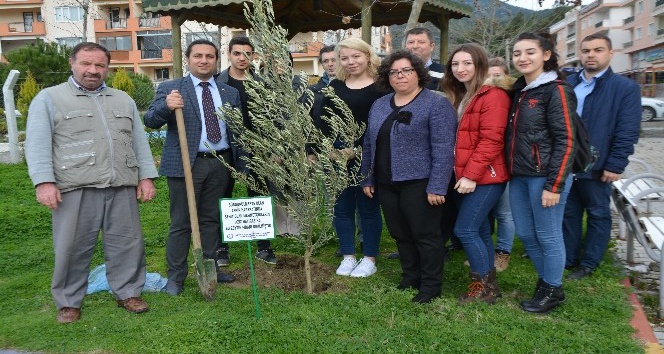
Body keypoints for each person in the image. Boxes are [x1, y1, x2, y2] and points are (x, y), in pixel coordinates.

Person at [25, 42, 159, 323]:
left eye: (99, 65)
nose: (93, 70)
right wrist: (44, 182)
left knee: (127, 243)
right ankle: (69, 302)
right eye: (86, 64)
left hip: (121, 185)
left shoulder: (123, 100)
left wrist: (146, 176)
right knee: (71, 246)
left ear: (107, 68)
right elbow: (37, 144)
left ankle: (128, 293)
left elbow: (139, 143)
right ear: (72, 64)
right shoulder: (50, 99)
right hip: (75, 187)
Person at [144, 39, 238, 296]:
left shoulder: (229, 92)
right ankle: (176, 277)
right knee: (182, 222)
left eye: (209, 56)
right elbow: (150, 120)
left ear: (217, 60)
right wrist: (166, 106)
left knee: (211, 220)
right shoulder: (172, 88)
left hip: (220, 162)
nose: (204, 60)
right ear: (188, 58)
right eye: (198, 55)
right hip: (187, 164)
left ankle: (210, 267)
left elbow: (236, 130)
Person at [362, 49, 456, 303]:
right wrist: (368, 177)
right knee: (400, 233)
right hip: (386, 182)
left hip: (420, 182)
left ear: (418, 73)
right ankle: (410, 276)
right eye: (394, 72)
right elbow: (370, 144)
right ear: (387, 76)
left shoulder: (436, 104)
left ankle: (430, 286)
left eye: (406, 71)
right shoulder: (380, 104)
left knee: (425, 235)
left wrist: (438, 186)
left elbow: (444, 149)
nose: (400, 76)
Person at [505, 32, 577, 314]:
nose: (522, 58)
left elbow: (567, 139)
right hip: (520, 175)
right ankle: (549, 283)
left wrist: (555, 184)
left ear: (546, 55)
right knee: (525, 233)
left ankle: (551, 289)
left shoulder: (556, 89)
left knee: (548, 235)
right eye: (517, 53)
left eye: (530, 52)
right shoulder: (520, 90)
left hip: (545, 177)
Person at [563, 34, 641, 280]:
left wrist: (616, 163)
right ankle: (569, 258)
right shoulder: (568, 82)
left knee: (597, 213)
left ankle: (589, 262)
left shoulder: (624, 88)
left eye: (598, 50)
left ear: (610, 53)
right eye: (586, 50)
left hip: (599, 163)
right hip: (567, 162)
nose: (591, 55)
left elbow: (627, 130)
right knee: (569, 212)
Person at [441, 44, 511, 305]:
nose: (460, 69)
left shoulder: (493, 95)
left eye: (467, 63)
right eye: (455, 64)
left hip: (485, 177)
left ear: (480, 64)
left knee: (465, 229)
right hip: (464, 176)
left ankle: (480, 285)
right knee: (480, 230)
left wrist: (470, 175)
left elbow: (492, 140)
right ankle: (490, 287)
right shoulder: (462, 94)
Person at [320, 38, 384, 278]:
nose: (351, 62)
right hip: (336, 157)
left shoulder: (381, 87)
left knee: (368, 209)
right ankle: (348, 255)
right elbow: (323, 120)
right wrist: (326, 149)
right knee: (342, 208)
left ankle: (369, 258)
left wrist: (358, 151)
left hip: (368, 156)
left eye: (356, 56)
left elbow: (381, 125)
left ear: (368, 56)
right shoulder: (335, 86)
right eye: (345, 58)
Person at [214, 36, 279, 265]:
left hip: (257, 148)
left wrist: (273, 148)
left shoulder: (262, 84)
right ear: (229, 54)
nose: (243, 58)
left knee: (260, 195)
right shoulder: (216, 83)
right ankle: (220, 248)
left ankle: (264, 247)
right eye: (237, 53)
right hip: (227, 148)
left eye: (248, 54)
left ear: (254, 56)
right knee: (222, 195)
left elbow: (273, 118)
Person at [487, 57, 517, 271]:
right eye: (489, 74)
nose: (493, 78)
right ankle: (486, 251)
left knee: (504, 212)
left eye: (498, 74)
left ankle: (503, 252)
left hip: (506, 161)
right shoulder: (481, 96)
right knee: (484, 212)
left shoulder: (514, 97)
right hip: (486, 163)